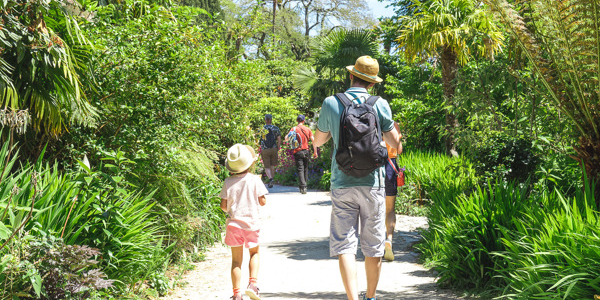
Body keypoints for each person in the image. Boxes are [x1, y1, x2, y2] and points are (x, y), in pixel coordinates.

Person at [313, 56, 401, 300]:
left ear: (350, 76)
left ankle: (353, 299)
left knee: (345, 245)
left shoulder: (332, 102)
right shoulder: (379, 103)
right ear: (372, 83)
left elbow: (319, 141)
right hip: (373, 184)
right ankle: (370, 297)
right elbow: (395, 143)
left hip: (342, 183)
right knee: (373, 245)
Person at [220, 144, 268, 300]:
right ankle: (253, 285)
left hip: (234, 226)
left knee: (235, 261)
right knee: (254, 253)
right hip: (251, 224)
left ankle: (236, 295)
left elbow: (223, 206)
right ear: (250, 163)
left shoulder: (228, 181)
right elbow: (262, 201)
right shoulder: (254, 180)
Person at [383, 123, 403, 262]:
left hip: (374, 167)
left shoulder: (371, 121)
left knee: (374, 208)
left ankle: (375, 243)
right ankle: (388, 238)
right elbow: (399, 150)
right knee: (390, 209)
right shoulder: (394, 126)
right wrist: (399, 136)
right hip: (390, 166)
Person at [285, 114, 318, 194]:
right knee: (306, 168)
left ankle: (302, 187)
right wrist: (315, 151)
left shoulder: (294, 129)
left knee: (300, 169)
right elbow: (314, 141)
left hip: (297, 151)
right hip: (306, 151)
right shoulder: (308, 129)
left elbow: (286, 138)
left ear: (297, 120)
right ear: (303, 121)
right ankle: (305, 186)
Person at [259, 114, 281, 188]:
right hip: (273, 148)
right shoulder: (275, 128)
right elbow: (279, 139)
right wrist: (277, 147)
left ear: (265, 120)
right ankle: (272, 179)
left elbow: (258, 140)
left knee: (266, 166)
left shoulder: (261, 129)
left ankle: (270, 179)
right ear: (271, 120)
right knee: (272, 165)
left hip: (265, 149)